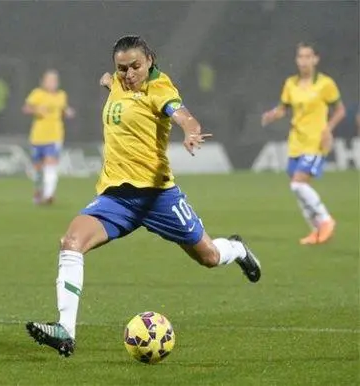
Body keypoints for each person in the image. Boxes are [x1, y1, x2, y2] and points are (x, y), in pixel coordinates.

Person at [25, 35, 261, 357]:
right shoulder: (120, 83)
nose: (129, 74)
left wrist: (190, 131)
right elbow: (115, 86)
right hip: (116, 198)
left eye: (135, 66)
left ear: (149, 60)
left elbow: (182, 115)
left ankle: (237, 248)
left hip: (157, 197)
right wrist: (109, 82)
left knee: (208, 256)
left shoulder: (160, 88)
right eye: (122, 68)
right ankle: (65, 331)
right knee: (70, 242)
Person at [261, 42, 346, 245]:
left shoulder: (325, 84)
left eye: (308, 56)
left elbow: (340, 110)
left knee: (298, 183)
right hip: (296, 142)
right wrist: (273, 114)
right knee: (298, 188)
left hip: (315, 141)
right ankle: (316, 231)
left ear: (316, 59)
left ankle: (326, 221)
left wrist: (328, 129)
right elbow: (284, 108)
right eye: (301, 57)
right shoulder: (291, 83)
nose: (304, 61)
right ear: (296, 60)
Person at [22, 69, 75, 205]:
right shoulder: (37, 94)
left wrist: (67, 112)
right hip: (38, 136)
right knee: (38, 169)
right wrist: (37, 110)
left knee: (50, 164)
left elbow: (63, 109)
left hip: (55, 136)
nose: (52, 83)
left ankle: (49, 194)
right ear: (43, 82)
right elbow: (26, 108)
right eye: (49, 80)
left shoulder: (61, 95)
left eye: (54, 80)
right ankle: (39, 192)